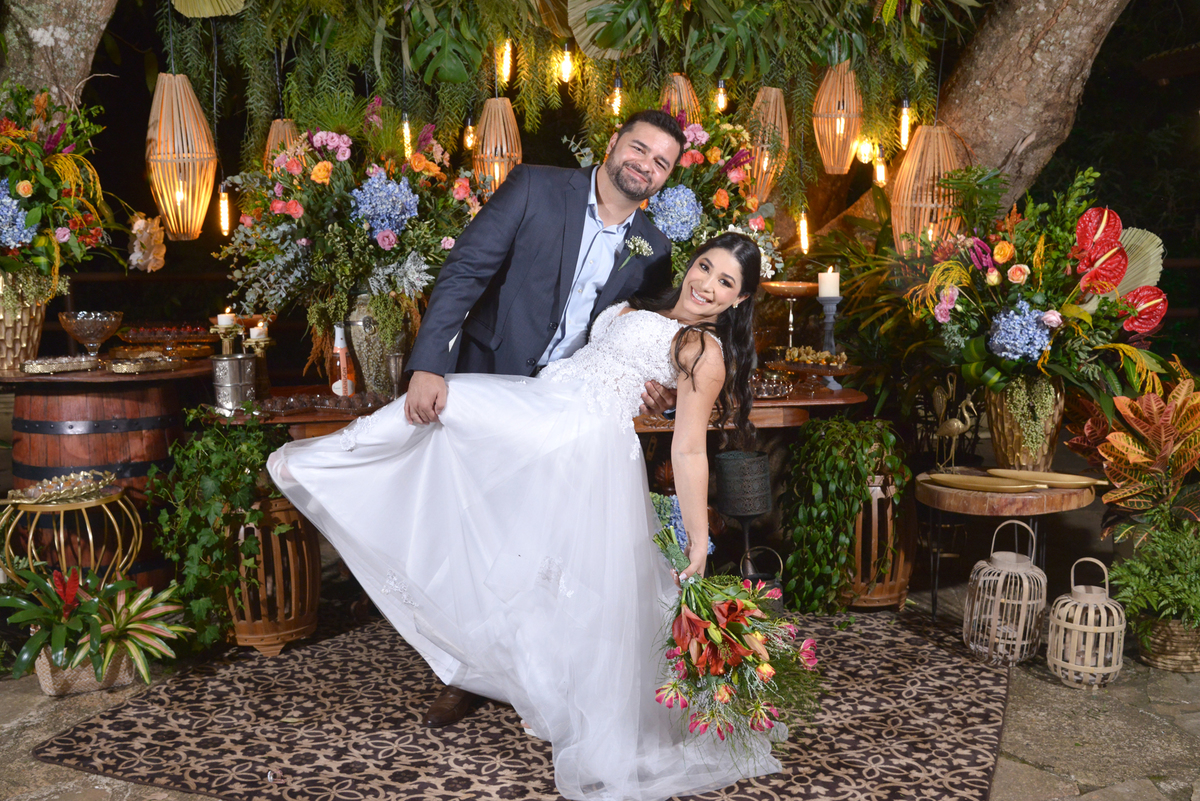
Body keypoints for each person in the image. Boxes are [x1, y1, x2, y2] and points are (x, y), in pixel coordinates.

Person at [267, 233, 783, 801]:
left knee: (453, 401)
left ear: (739, 300)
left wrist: (700, 537)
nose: (707, 284)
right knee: (534, 562)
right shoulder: (649, 303)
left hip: (578, 434)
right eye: (706, 266)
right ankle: (543, 693)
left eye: (726, 283)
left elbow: (689, 449)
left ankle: (319, 463)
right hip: (548, 406)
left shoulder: (701, 350)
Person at [403, 108, 686, 726]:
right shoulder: (535, 186)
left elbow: (637, 334)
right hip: (490, 378)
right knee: (478, 532)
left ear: (665, 178)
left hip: (566, 406)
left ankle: (524, 666)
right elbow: (465, 271)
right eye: (639, 149)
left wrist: (651, 388)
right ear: (614, 144)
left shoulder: (655, 251)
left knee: (542, 540)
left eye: (660, 162)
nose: (645, 165)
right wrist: (430, 363)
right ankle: (466, 671)